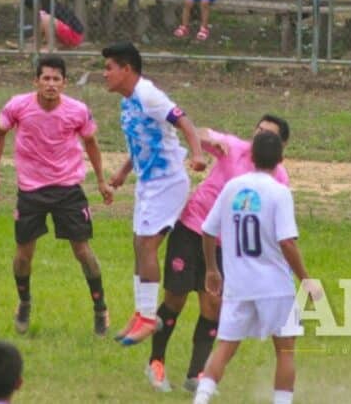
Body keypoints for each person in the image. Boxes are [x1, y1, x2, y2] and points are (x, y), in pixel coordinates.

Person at [147, 115, 291, 393]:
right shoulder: (234, 148)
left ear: (281, 145)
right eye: (257, 130)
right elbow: (197, 132)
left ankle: (196, 373)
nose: (258, 137)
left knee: (213, 305)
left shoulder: (279, 177)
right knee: (175, 299)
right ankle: (156, 363)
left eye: (267, 134)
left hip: (228, 246)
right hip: (193, 228)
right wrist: (207, 140)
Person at [0, 55, 113, 336]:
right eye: (45, 78)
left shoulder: (77, 111)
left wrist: (102, 182)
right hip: (31, 190)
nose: (51, 84)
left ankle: (100, 306)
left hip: (68, 189)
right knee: (24, 254)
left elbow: (91, 142)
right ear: (36, 81)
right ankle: (24, 302)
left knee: (82, 250)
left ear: (65, 83)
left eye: (56, 79)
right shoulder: (18, 105)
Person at [193, 132, 320, 404]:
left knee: (225, 346)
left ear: (251, 156)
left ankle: (201, 400)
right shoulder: (279, 192)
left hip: (238, 285)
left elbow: (207, 230)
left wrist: (212, 269)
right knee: (285, 351)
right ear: (281, 160)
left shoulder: (232, 188)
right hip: (275, 287)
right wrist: (306, 280)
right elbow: (287, 243)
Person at [102, 42, 207, 346]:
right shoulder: (128, 101)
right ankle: (141, 312)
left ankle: (149, 318)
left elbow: (183, 120)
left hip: (168, 181)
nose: (104, 74)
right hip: (148, 182)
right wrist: (124, 171)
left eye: (109, 68)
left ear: (127, 69)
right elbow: (142, 142)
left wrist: (197, 154)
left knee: (148, 244)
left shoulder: (149, 95)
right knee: (139, 243)